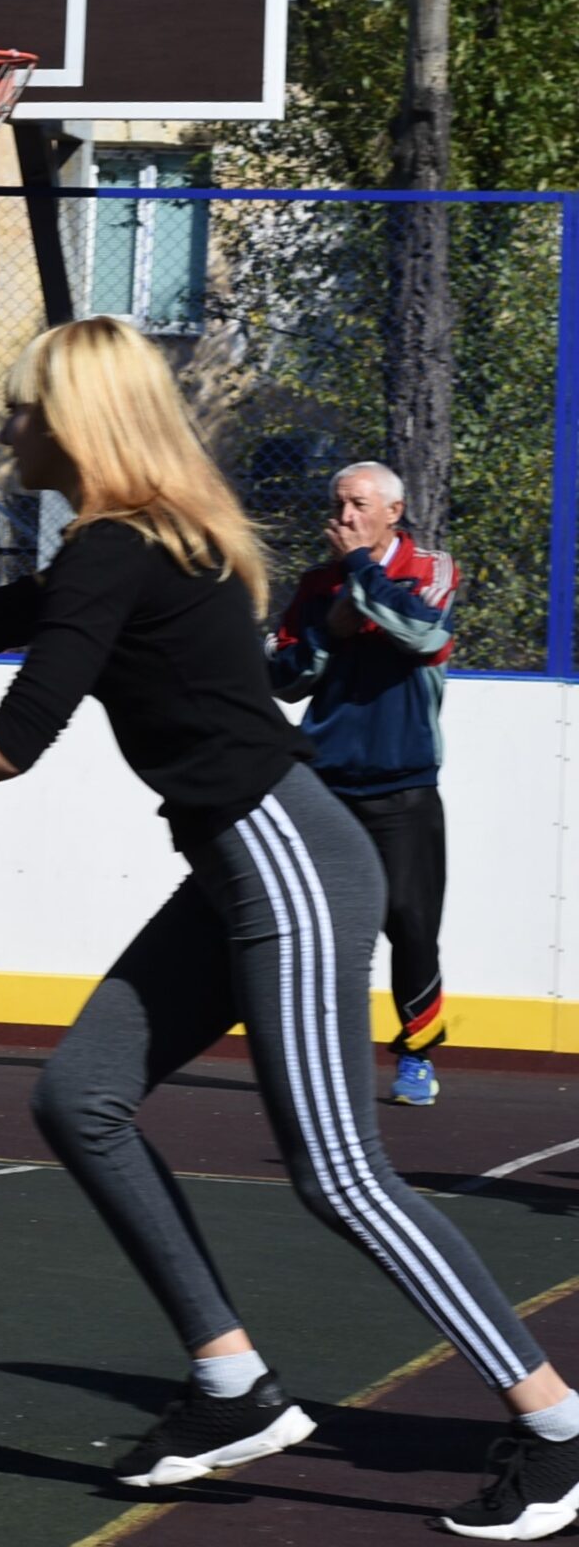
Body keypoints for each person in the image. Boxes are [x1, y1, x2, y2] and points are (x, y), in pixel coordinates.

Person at [0, 317, 578, 1540]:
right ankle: (232, 1385)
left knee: (339, 1174)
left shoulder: (120, 545)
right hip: (240, 864)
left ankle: (554, 1428)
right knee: (81, 1098)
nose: (8, 425)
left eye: (23, 407)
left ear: (76, 421)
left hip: (283, 860)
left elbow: (16, 736)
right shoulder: (134, 540)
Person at [268, 461, 456, 1108]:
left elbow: (425, 632)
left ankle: (417, 1056)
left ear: (393, 512)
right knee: (317, 925)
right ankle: (322, 1057)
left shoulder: (431, 568)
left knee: (411, 924)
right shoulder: (315, 585)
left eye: (359, 505)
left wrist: (360, 572)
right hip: (324, 783)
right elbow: (282, 678)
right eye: (338, 504)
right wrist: (328, 630)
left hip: (405, 785)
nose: (344, 517)